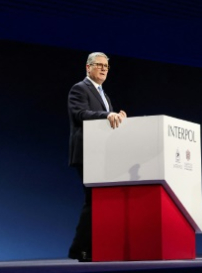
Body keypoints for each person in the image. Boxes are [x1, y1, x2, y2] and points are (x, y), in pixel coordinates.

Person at [67, 52, 127, 262]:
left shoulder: (104, 95)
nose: (103, 69)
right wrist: (106, 114)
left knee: (99, 201)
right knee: (93, 200)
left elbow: (106, 122)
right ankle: (81, 249)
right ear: (88, 67)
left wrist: (117, 118)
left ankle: (91, 248)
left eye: (106, 66)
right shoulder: (79, 88)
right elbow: (80, 114)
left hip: (102, 155)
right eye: (99, 65)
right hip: (86, 153)